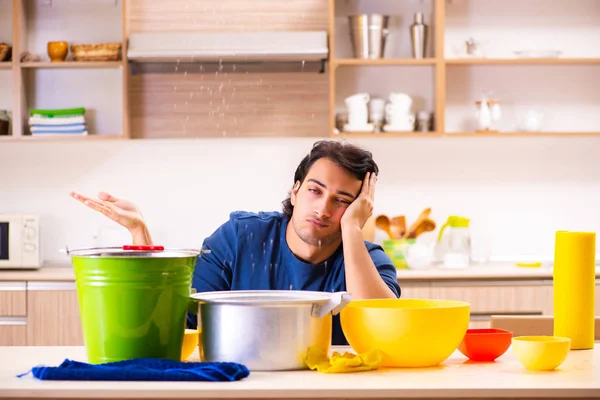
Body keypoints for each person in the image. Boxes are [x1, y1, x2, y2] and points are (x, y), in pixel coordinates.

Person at [70, 140, 401, 345]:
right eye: (315, 190)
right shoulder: (240, 238)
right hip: (237, 383)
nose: (324, 208)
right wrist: (141, 234)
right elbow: (177, 320)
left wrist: (354, 231)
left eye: (342, 200)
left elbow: (387, 333)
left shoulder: (367, 261)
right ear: (296, 190)